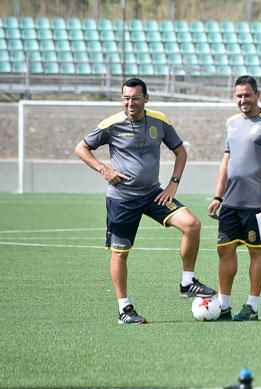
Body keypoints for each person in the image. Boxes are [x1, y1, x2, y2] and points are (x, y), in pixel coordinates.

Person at [74, 77, 216, 325]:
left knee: (192, 225)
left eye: (135, 98)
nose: (130, 103)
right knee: (120, 253)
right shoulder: (111, 124)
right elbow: (81, 148)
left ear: (146, 99)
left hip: (153, 195)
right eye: (126, 98)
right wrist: (103, 170)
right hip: (122, 199)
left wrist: (173, 183)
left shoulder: (159, 121)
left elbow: (180, 151)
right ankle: (124, 310)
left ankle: (187, 282)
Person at [208, 75, 261, 321]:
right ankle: (224, 305)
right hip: (230, 202)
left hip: (257, 204)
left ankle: (251, 306)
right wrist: (218, 196)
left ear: (257, 95)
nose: (243, 100)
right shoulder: (231, 123)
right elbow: (226, 161)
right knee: (224, 250)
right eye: (239, 95)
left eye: (247, 95)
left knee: (256, 252)